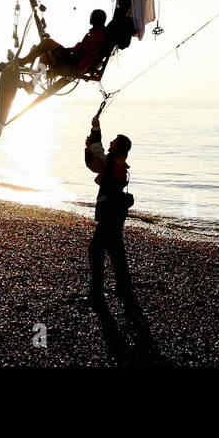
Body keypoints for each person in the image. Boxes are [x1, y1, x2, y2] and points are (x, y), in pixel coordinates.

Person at [84, 111, 134, 300]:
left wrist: (96, 128)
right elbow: (94, 164)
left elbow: (98, 153)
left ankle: (97, 292)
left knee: (96, 250)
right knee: (115, 250)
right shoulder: (116, 163)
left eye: (113, 142)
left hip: (110, 215)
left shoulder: (113, 162)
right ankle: (123, 287)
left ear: (119, 147)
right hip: (114, 213)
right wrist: (88, 147)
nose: (110, 144)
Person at [1, 8, 111, 78]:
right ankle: (32, 84)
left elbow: (91, 56)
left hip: (73, 63)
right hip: (72, 59)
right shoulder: (95, 33)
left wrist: (79, 70)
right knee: (45, 50)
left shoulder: (97, 36)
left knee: (47, 42)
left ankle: (23, 61)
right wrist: (60, 49)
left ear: (94, 19)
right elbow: (79, 48)